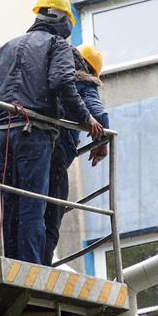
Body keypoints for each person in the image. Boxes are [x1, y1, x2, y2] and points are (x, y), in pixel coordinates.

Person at [0, 0, 104, 265]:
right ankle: (32, 270)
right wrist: (88, 121)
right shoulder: (57, 46)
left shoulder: (6, 47)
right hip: (33, 135)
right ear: (62, 19)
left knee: (0, 209)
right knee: (32, 210)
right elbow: (62, 84)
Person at [43, 45, 109, 266]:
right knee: (53, 210)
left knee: (29, 210)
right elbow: (99, 114)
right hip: (56, 152)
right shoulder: (84, 83)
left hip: (34, 148)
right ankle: (40, 264)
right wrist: (101, 141)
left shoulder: (51, 76)